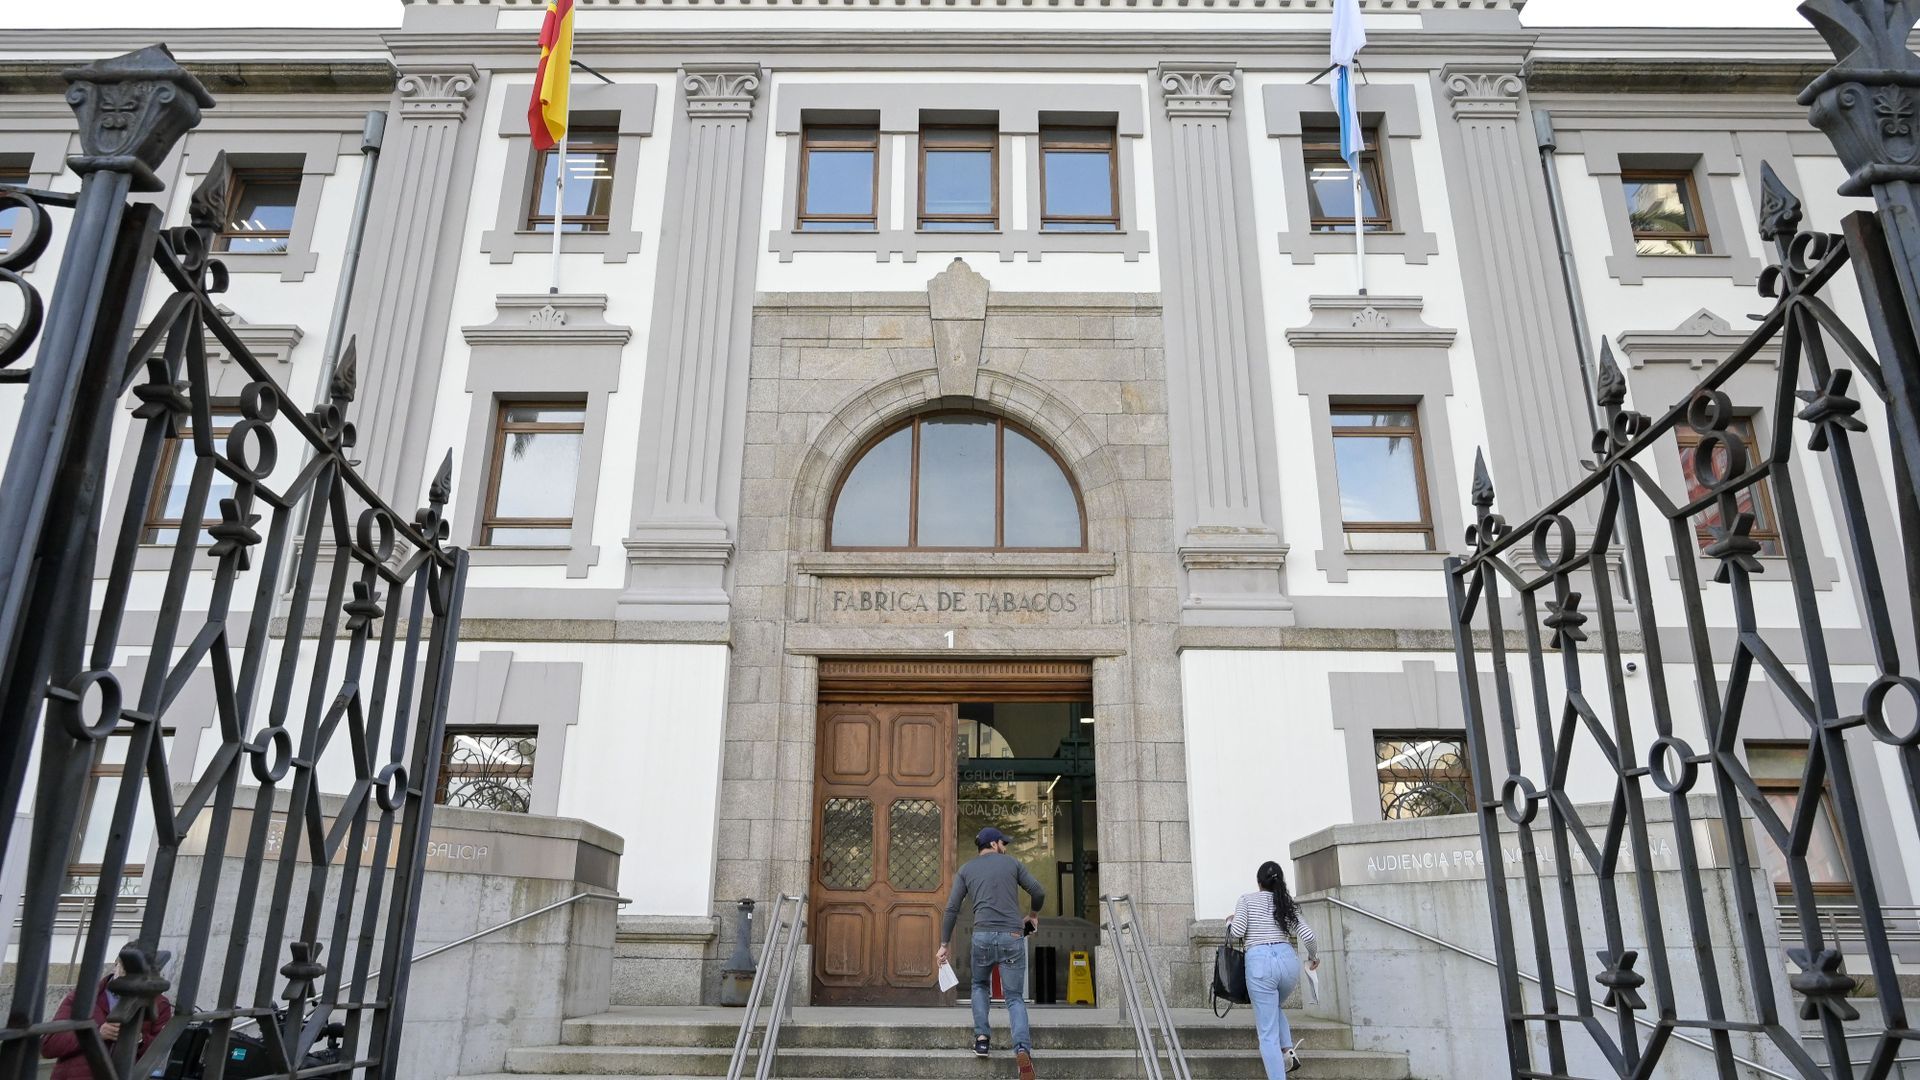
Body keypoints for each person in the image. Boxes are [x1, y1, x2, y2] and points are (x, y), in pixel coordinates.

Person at [938, 826, 1046, 1080]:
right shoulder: (1012, 864)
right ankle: (1021, 1048)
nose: (1005, 847)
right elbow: (1039, 891)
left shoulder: (966, 870)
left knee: (978, 986)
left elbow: (952, 908)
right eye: (1003, 843)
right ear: (994, 844)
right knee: (1015, 998)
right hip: (1012, 935)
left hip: (983, 936)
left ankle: (983, 1039)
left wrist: (944, 943)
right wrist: (1032, 915)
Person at [1230, 861, 1319, 1077]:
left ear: (1259, 882)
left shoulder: (1247, 900)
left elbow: (1237, 932)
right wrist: (1313, 957)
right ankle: (1288, 1051)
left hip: (1261, 965)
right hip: (1287, 963)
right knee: (1273, 1006)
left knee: (1267, 1034)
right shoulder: (1287, 904)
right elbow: (1308, 936)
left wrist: (1229, 923)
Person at [42, 946, 175, 1080]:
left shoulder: (159, 1005)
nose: (130, 978)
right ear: (116, 965)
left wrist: (138, 1039)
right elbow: (50, 1046)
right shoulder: (82, 997)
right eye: (126, 970)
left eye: (138, 973)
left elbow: (160, 1052)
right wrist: (96, 1034)